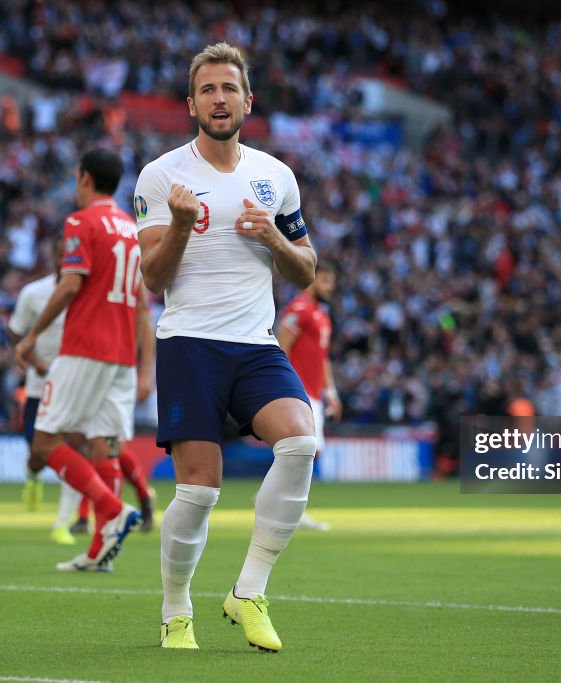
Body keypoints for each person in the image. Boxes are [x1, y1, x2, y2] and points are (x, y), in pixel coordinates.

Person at [135, 42, 318, 652]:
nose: (219, 99)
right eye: (208, 90)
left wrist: (273, 237)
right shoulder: (162, 176)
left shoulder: (275, 177)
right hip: (190, 343)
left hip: (255, 344)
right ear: (191, 104)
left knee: (299, 441)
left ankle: (248, 590)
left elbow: (306, 271)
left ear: (248, 99)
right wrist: (183, 226)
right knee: (200, 488)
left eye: (229, 89)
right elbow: (154, 279)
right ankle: (175, 610)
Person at [14, 148, 145, 572]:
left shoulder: (80, 221)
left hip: (86, 347)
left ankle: (111, 508)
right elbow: (143, 307)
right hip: (123, 354)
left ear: (84, 178)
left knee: (46, 442)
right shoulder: (132, 229)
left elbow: (70, 284)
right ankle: (98, 552)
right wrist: (147, 368)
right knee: (102, 445)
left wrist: (32, 337)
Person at [8, 240, 81, 545]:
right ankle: (33, 477)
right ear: (52, 256)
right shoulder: (33, 293)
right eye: (60, 252)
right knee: (39, 453)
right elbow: (15, 331)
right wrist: (33, 360)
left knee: (77, 449)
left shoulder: (88, 291)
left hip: (78, 382)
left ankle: (63, 523)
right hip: (41, 384)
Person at [276, 262, 340, 531]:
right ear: (312, 281)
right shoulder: (298, 310)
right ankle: (292, 509)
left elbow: (323, 359)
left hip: (315, 393)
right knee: (305, 450)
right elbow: (282, 346)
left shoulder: (322, 316)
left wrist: (332, 392)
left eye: (331, 282)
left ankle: (281, 501)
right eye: (324, 281)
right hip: (298, 391)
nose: (329, 287)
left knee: (311, 452)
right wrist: (282, 385)